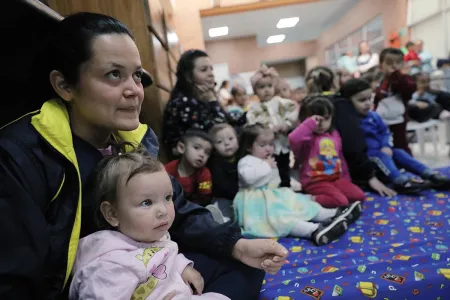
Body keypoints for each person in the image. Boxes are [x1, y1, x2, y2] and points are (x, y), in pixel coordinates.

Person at [0, 13, 288, 300]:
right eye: (114, 74)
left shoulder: (135, 141)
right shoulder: (20, 154)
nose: (135, 91)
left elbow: (176, 207)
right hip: (96, 287)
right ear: (64, 85)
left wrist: (235, 245)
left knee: (247, 261)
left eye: (136, 75)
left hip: (151, 265)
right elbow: (20, 277)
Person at [69, 149, 229, 300]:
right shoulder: (109, 267)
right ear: (112, 214)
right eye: (147, 202)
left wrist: (182, 267)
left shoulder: (150, 235)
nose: (163, 211)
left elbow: (163, 250)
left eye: (168, 198)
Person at [234, 124, 361, 245]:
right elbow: (249, 177)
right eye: (262, 145)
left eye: (271, 144)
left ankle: (332, 213)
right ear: (248, 147)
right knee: (281, 218)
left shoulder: (266, 160)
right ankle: (314, 230)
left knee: (301, 204)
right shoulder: (246, 161)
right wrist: (267, 166)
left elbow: (273, 180)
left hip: (270, 195)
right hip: (256, 204)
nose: (268, 148)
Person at [341, 79, 450, 192]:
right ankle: (399, 180)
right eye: (362, 100)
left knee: (399, 152)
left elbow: (385, 131)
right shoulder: (350, 121)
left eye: (369, 98)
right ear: (348, 102)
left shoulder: (373, 116)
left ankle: (429, 174)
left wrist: (386, 145)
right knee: (381, 157)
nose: (368, 103)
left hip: (382, 151)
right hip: (369, 158)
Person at [305, 66, 396, 197]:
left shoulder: (306, 104)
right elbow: (353, 145)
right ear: (335, 83)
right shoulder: (340, 104)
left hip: (312, 175)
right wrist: (369, 176)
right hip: (343, 172)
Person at [163, 50, 245, 158]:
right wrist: (212, 102)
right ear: (188, 76)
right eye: (204, 70)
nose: (211, 73)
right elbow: (217, 133)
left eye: (211, 69)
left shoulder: (203, 97)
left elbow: (231, 124)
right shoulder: (182, 103)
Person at [289, 95, 365, 208]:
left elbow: (340, 158)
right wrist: (309, 124)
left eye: (326, 118)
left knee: (358, 195)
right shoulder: (306, 137)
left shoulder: (334, 135)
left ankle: (331, 195)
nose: (321, 123)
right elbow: (293, 139)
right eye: (317, 119)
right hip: (314, 181)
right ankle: (307, 198)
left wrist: (346, 178)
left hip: (335, 179)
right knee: (341, 201)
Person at [247, 65, 298, 188]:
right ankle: (271, 186)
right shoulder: (254, 107)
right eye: (261, 87)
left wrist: (286, 123)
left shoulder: (280, 101)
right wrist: (267, 128)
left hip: (282, 141)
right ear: (255, 90)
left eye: (269, 86)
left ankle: (286, 184)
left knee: (284, 163)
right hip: (268, 145)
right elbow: (251, 122)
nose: (266, 90)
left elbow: (293, 109)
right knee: (270, 165)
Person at [375, 47, 416, 155]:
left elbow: (409, 89)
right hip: (381, 119)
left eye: (398, 62)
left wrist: (396, 75)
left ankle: (407, 164)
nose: (394, 66)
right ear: (381, 65)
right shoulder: (379, 80)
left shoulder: (404, 79)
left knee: (400, 144)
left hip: (398, 119)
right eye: (389, 63)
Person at [165, 130, 213, 207]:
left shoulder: (204, 174)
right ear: (181, 148)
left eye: (207, 152)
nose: (202, 154)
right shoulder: (169, 168)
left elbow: (205, 199)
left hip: (193, 207)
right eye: (197, 148)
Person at [208, 124, 240, 219]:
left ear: (238, 140)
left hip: (243, 193)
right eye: (219, 141)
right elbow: (221, 185)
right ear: (213, 147)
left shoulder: (243, 155)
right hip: (224, 196)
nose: (226, 143)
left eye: (231, 139)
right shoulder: (215, 162)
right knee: (223, 213)